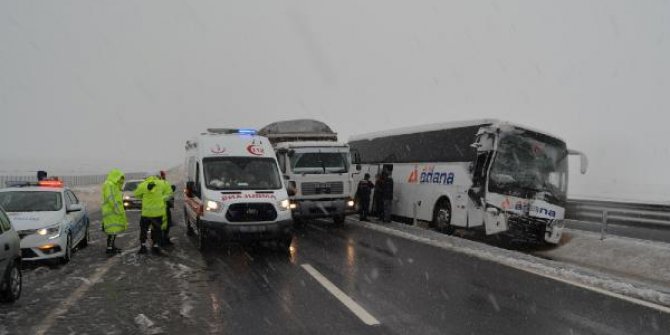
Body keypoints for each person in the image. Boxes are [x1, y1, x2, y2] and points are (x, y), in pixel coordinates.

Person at [134, 175, 172, 254]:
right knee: (157, 230)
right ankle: (155, 246)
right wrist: (161, 198)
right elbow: (169, 193)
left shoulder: (143, 185)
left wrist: (144, 197)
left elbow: (136, 195)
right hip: (157, 213)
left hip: (146, 213)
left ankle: (143, 246)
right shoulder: (162, 184)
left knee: (143, 230)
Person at [101, 169, 128, 255]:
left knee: (114, 231)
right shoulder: (109, 184)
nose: (121, 181)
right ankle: (109, 248)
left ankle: (112, 246)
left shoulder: (114, 185)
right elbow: (110, 198)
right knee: (112, 231)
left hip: (114, 212)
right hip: (111, 212)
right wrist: (116, 208)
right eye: (120, 178)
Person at [159, 171, 175, 246]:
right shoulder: (162, 184)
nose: (164, 176)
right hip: (163, 207)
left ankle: (163, 239)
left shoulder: (164, 183)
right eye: (163, 175)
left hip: (163, 207)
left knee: (165, 224)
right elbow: (169, 194)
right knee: (165, 224)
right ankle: (163, 239)